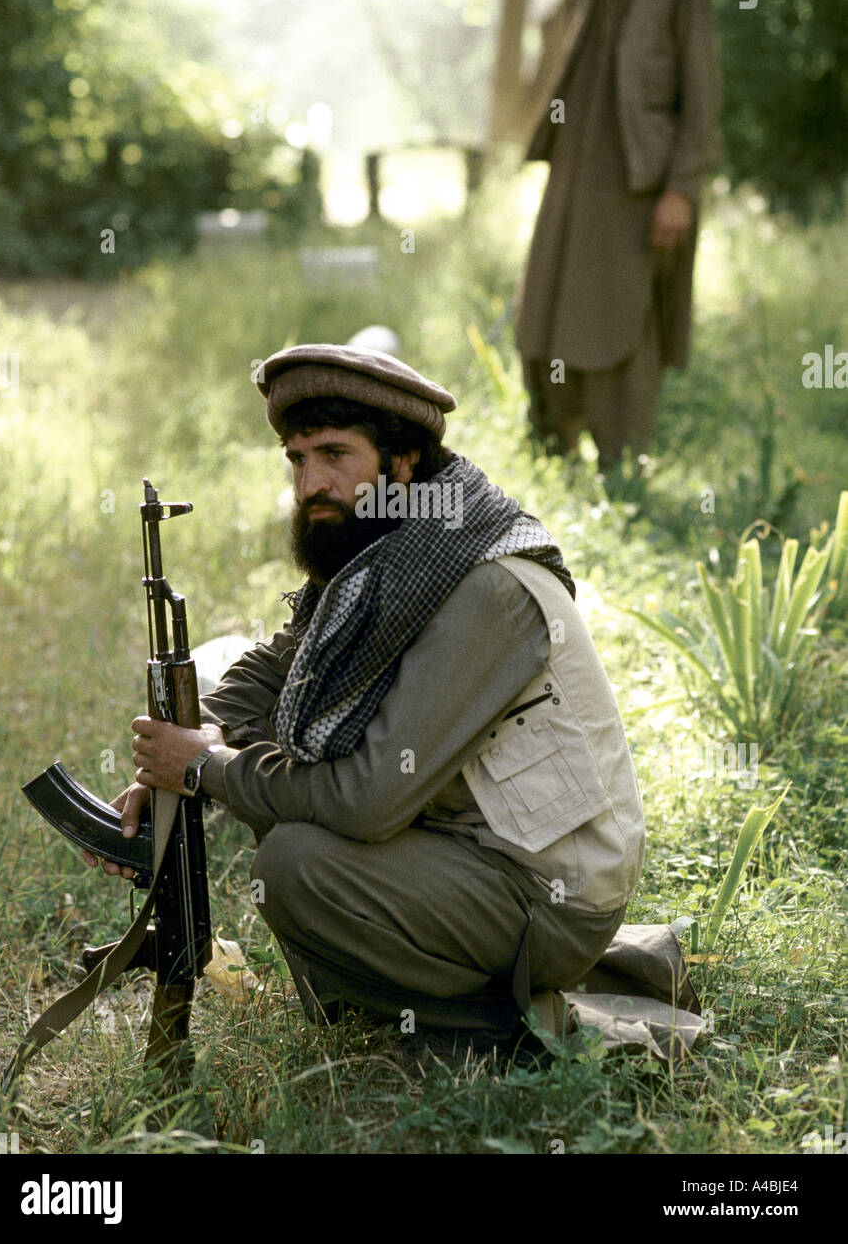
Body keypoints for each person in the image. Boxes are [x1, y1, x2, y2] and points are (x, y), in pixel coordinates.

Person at [88, 344, 701, 1057]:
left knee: (293, 863)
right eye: (295, 459)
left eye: (333, 454)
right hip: (461, 846)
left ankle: (532, 1029)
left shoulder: (483, 584)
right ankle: (453, 986)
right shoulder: (385, 542)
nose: (310, 482)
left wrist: (207, 769)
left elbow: (368, 800)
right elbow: (277, 663)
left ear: (402, 461)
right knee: (283, 772)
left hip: (543, 890)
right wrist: (182, 748)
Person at [506, 0, 721, 472]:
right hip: (570, 187)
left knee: (622, 322)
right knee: (544, 312)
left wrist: (680, 190)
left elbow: (702, 101)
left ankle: (622, 467)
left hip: (640, 190)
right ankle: (554, 452)